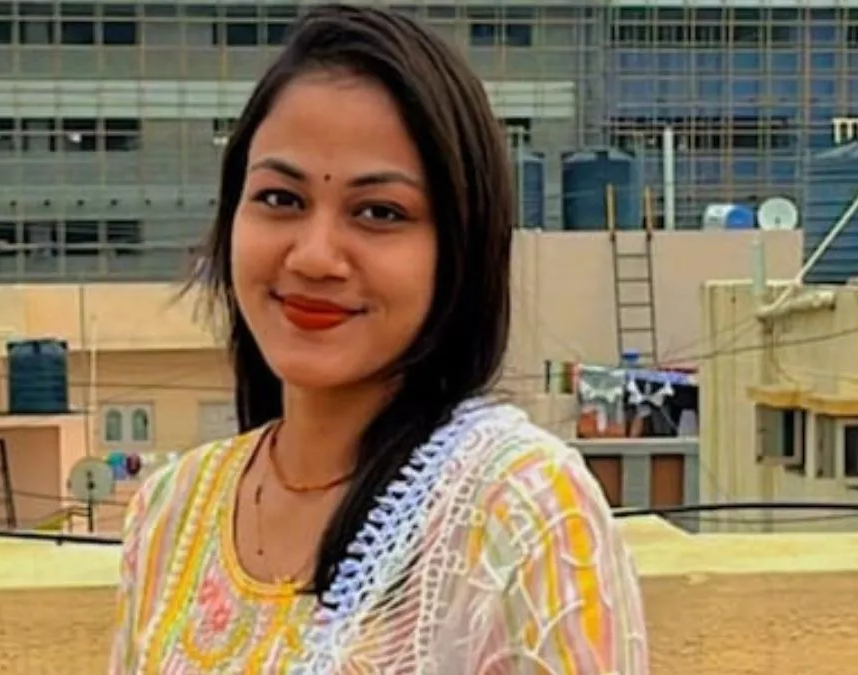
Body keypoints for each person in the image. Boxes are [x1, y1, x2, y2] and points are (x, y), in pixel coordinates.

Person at [109, 4, 649, 673]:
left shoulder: (520, 510)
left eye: (379, 212)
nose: (314, 256)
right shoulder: (171, 511)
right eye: (280, 198)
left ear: (459, 249)